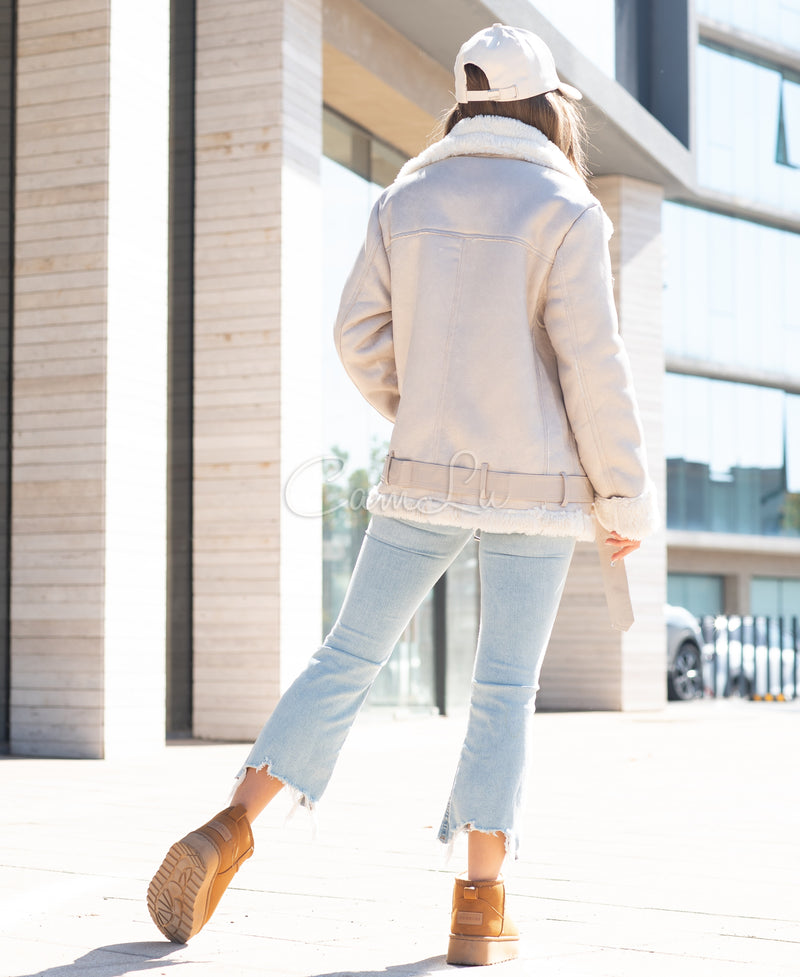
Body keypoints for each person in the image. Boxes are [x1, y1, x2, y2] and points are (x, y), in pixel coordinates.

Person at [147, 23, 658, 966]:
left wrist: (415, 407)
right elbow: (595, 367)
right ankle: (477, 904)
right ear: (547, 106)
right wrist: (622, 499)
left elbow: (357, 334)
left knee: (347, 653)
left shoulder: (405, 191)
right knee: (505, 688)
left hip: (421, 474)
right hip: (537, 490)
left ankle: (229, 827)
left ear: (465, 98)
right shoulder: (570, 208)